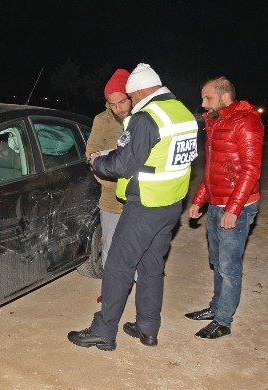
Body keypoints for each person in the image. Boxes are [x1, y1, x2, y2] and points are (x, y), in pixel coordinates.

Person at [68, 63, 198, 350]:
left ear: (139, 91)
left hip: (146, 205)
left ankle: (104, 331)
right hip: (171, 204)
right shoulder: (182, 112)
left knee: (117, 266)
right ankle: (147, 327)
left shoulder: (146, 118)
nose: (130, 103)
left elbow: (124, 163)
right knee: (151, 266)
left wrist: (98, 162)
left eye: (131, 96)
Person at [185, 77, 264, 339]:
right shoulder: (216, 121)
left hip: (237, 207)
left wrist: (233, 209)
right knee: (217, 261)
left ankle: (223, 321)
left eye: (208, 98)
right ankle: (216, 307)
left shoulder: (247, 121)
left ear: (225, 96)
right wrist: (199, 200)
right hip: (217, 202)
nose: (203, 103)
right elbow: (213, 170)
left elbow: (251, 170)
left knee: (229, 267)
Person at [86, 69, 132, 303]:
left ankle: (138, 286)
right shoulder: (101, 121)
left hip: (138, 197)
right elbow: (91, 151)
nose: (118, 108)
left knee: (137, 246)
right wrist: (105, 179)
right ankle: (112, 290)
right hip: (111, 198)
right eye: (112, 104)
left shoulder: (143, 118)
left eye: (122, 101)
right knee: (110, 247)